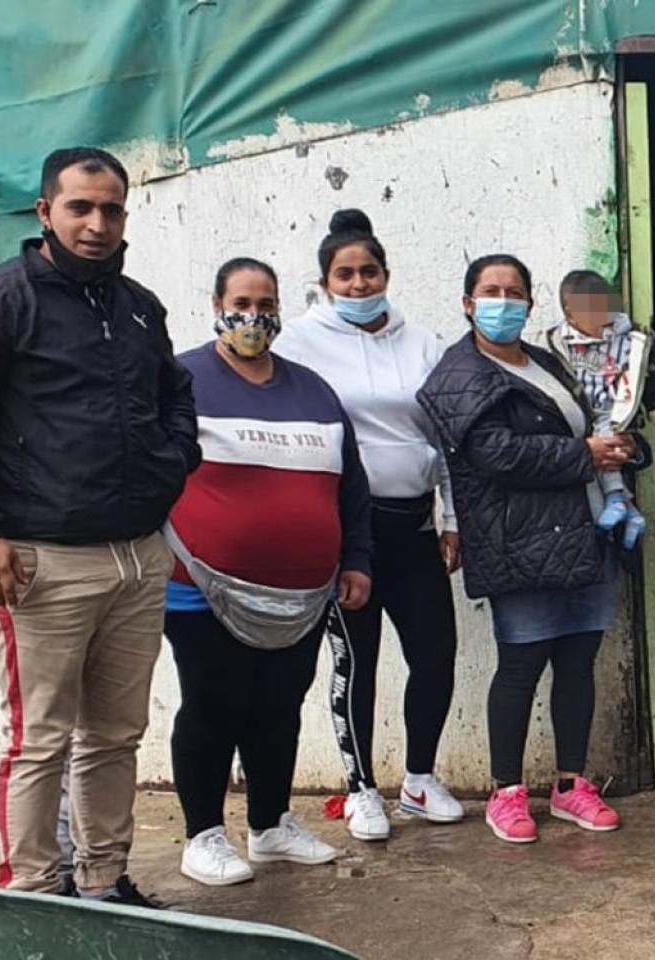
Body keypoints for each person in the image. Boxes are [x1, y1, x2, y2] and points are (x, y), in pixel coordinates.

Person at [0, 147, 198, 904]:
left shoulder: (140, 308)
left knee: (114, 736)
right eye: (79, 207)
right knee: (37, 741)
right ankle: (35, 897)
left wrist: (172, 468)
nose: (97, 224)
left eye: (111, 209)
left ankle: (104, 883)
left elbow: (173, 398)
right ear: (45, 212)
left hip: (137, 557)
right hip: (38, 562)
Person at [163, 258, 374, 886]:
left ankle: (270, 826)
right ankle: (202, 834)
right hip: (203, 589)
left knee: (279, 708)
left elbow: (351, 484)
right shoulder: (180, 379)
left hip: (303, 594)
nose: (254, 317)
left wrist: (357, 559)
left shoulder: (312, 388)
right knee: (214, 705)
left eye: (266, 304)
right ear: (216, 305)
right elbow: (143, 471)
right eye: (242, 303)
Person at [417, 253, 634, 844]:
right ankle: (506, 792)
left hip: (580, 531)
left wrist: (611, 446)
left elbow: (583, 421)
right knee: (520, 665)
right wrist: (584, 454)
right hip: (517, 538)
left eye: (516, 292)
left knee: (576, 663)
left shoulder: (543, 362)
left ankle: (570, 785)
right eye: (492, 291)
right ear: (468, 303)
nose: (504, 301)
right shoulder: (459, 375)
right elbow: (497, 454)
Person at [274, 209, 465, 840]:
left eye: (369, 272)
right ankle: (361, 790)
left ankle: (418, 779)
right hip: (349, 533)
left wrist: (451, 517)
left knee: (435, 653)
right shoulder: (299, 342)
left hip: (412, 528)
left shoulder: (422, 342)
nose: (359, 285)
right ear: (326, 282)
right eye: (345, 275)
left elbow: (443, 440)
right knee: (356, 663)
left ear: (387, 273)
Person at [544, 268, 655, 550]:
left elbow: (649, 374)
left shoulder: (628, 340)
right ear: (570, 315)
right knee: (597, 447)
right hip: (579, 422)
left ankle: (618, 501)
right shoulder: (555, 345)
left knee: (609, 444)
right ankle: (628, 509)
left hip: (613, 411)